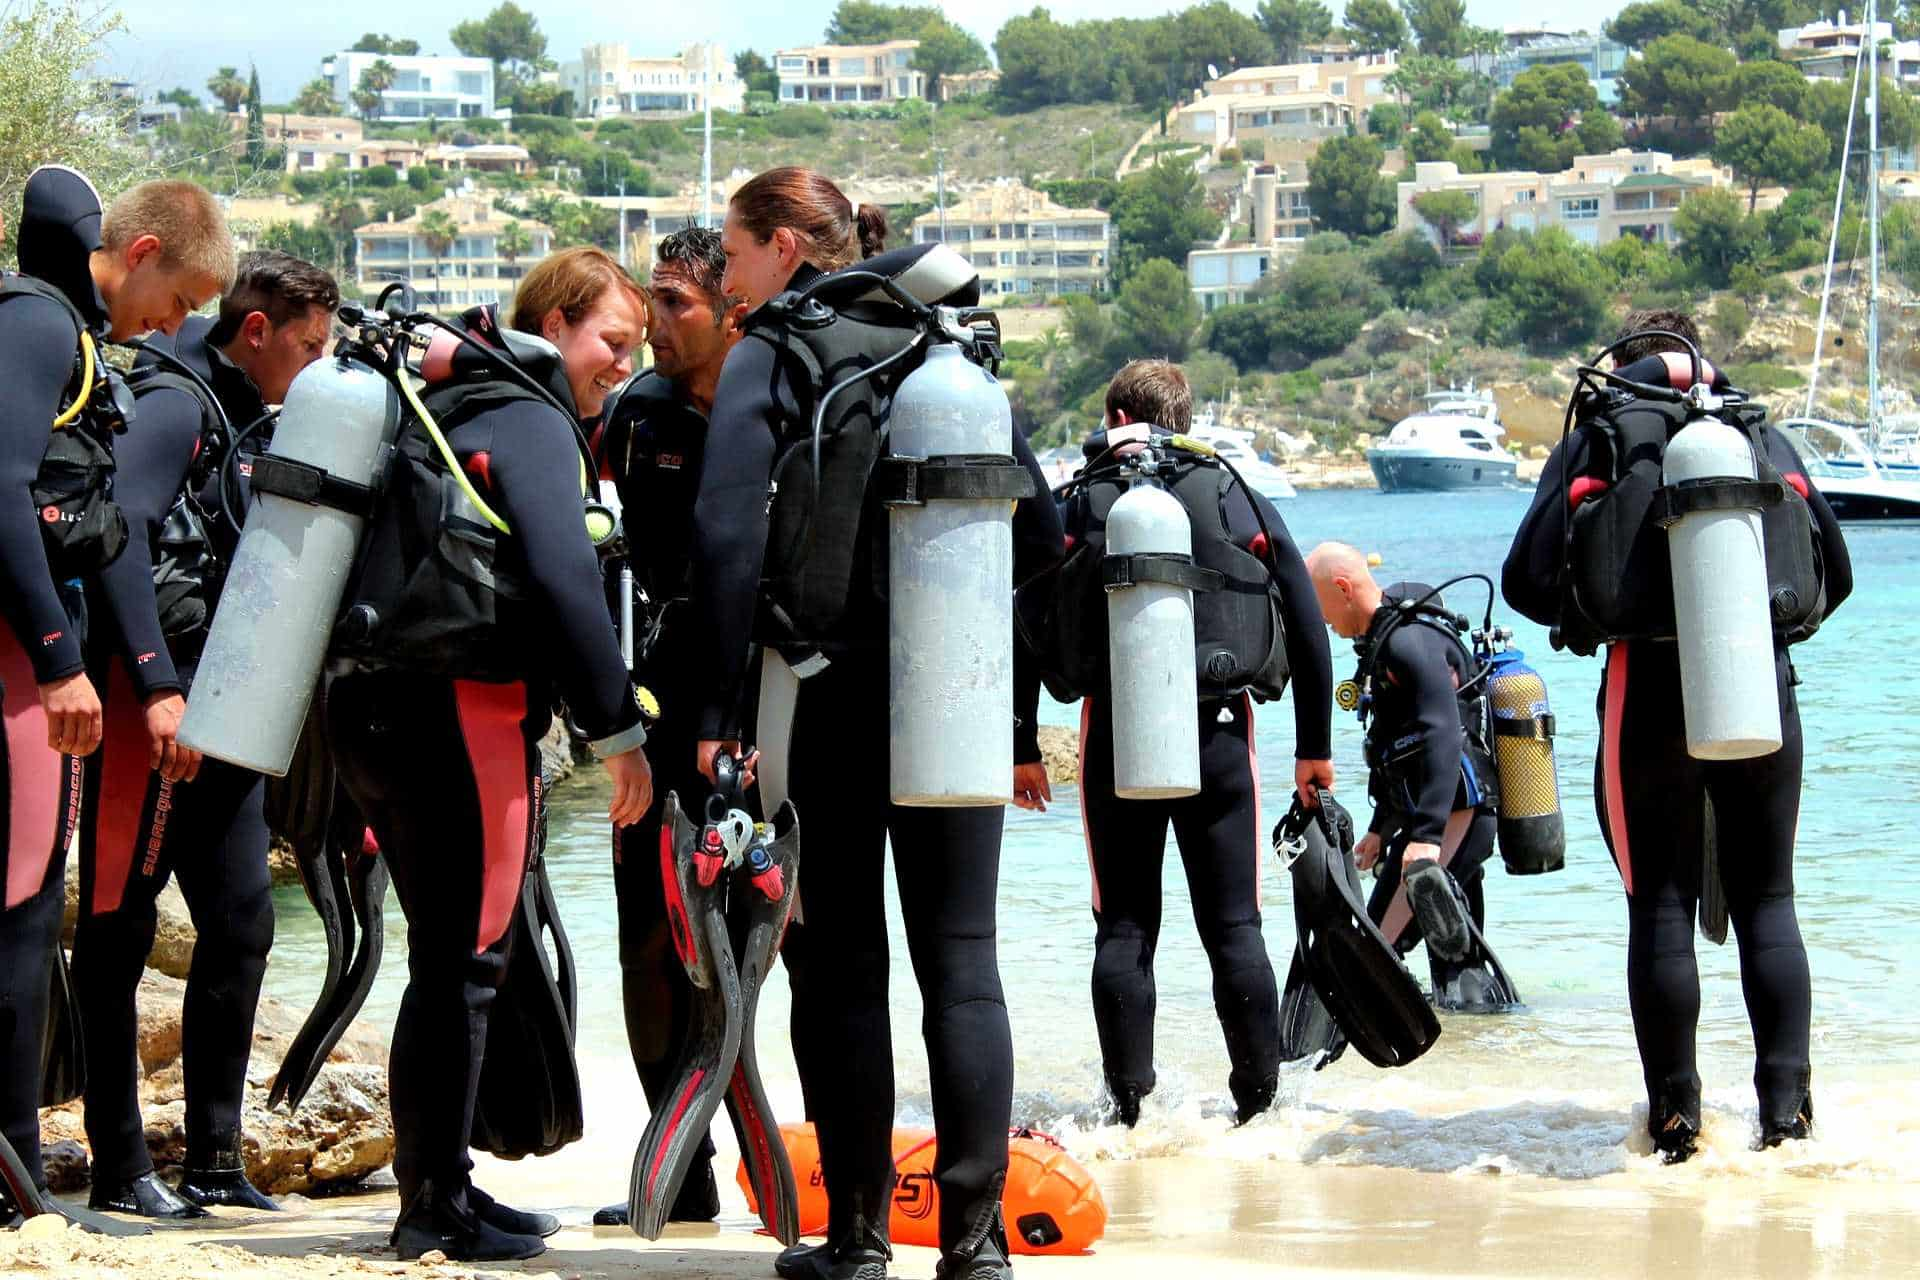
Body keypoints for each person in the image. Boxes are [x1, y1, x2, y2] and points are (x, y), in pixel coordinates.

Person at [687, 167, 1063, 1280]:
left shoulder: (776, 348)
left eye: (738, 251)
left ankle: (854, 1239)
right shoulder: (952, 351)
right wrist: (1007, 704)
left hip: (825, 691)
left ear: (793, 246)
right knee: (965, 963)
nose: (729, 273)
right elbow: (1038, 534)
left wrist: (714, 710)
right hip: (952, 691)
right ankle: (977, 1244)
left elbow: (722, 537)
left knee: (841, 966)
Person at [323, 247, 654, 1260]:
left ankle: (442, 1187)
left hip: (373, 707)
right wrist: (620, 732)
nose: (619, 365)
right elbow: (561, 575)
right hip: (463, 711)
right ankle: (434, 1205)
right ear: (553, 322)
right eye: (612, 340)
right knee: (466, 960)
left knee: (445, 955)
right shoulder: (533, 417)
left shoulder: (451, 407)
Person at [1502, 309, 1852, 1162]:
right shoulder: (1750, 428)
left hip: (1646, 691)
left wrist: (1594, 615)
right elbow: (1832, 573)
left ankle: (1676, 1125)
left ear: (1624, 366)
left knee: (1657, 903)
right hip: (1759, 686)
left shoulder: (1605, 433)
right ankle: (1786, 1119)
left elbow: (1525, 577)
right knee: (1770, 900)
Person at [72, 250, 338, 1218]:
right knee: (117, 929)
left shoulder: (244, 408)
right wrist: (157, 686)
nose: (317, 369)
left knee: (241, 921)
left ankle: (216, 1158)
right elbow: (124, 529)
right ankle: (118, 1164)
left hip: (217, 706)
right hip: (155, 704)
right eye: (308, 347)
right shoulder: (178, 397)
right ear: (256, 329)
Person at [0, 169, 233, 1217]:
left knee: (28, 913)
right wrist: (57, 660)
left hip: (35, 664)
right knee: (19, 915)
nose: (175, 325)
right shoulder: (40, 324)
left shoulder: (77, 344)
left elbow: (94, 527)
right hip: (18, 667)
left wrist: (136, 676)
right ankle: (12, 1184)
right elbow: (3, 489)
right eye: (179, 301)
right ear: (140, 254)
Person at [1028, 359, 1334, 1127]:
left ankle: (1128, 1109)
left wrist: (1022, 739)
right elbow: (1303, 609)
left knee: (1124, 924)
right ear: (1184, 418)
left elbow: (1029, 612)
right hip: (1223, 729)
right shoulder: (1229, 485)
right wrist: (1314, 746)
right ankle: (1259, 1108)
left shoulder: (1088, 492)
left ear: (1113, 412)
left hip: (1116, 731)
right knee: (1234, 924)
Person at [589, 227, 745, 1228]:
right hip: (658, 710)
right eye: (650, 299)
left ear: (735, 308)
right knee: (646, 941)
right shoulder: (635, 415)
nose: (653, 321)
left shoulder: (780, 403)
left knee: (759, 945)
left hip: (762, 712)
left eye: (676, 302)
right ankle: (675, 1166)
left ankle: (796, 1156)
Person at [1306, 544, 1517, 1011]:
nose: (1321, 621)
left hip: (1455, 814)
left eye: (1320, 606)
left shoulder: (1406, 641)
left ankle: (1353, 1059)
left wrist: (1425, 839)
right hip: (1430, 816)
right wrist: (1382, 829)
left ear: (1342, 589)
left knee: (1377, 952)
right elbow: (1400, 751)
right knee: (1447, 960)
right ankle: (1482, 1044)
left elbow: (1443, 735)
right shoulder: (1381, 647)